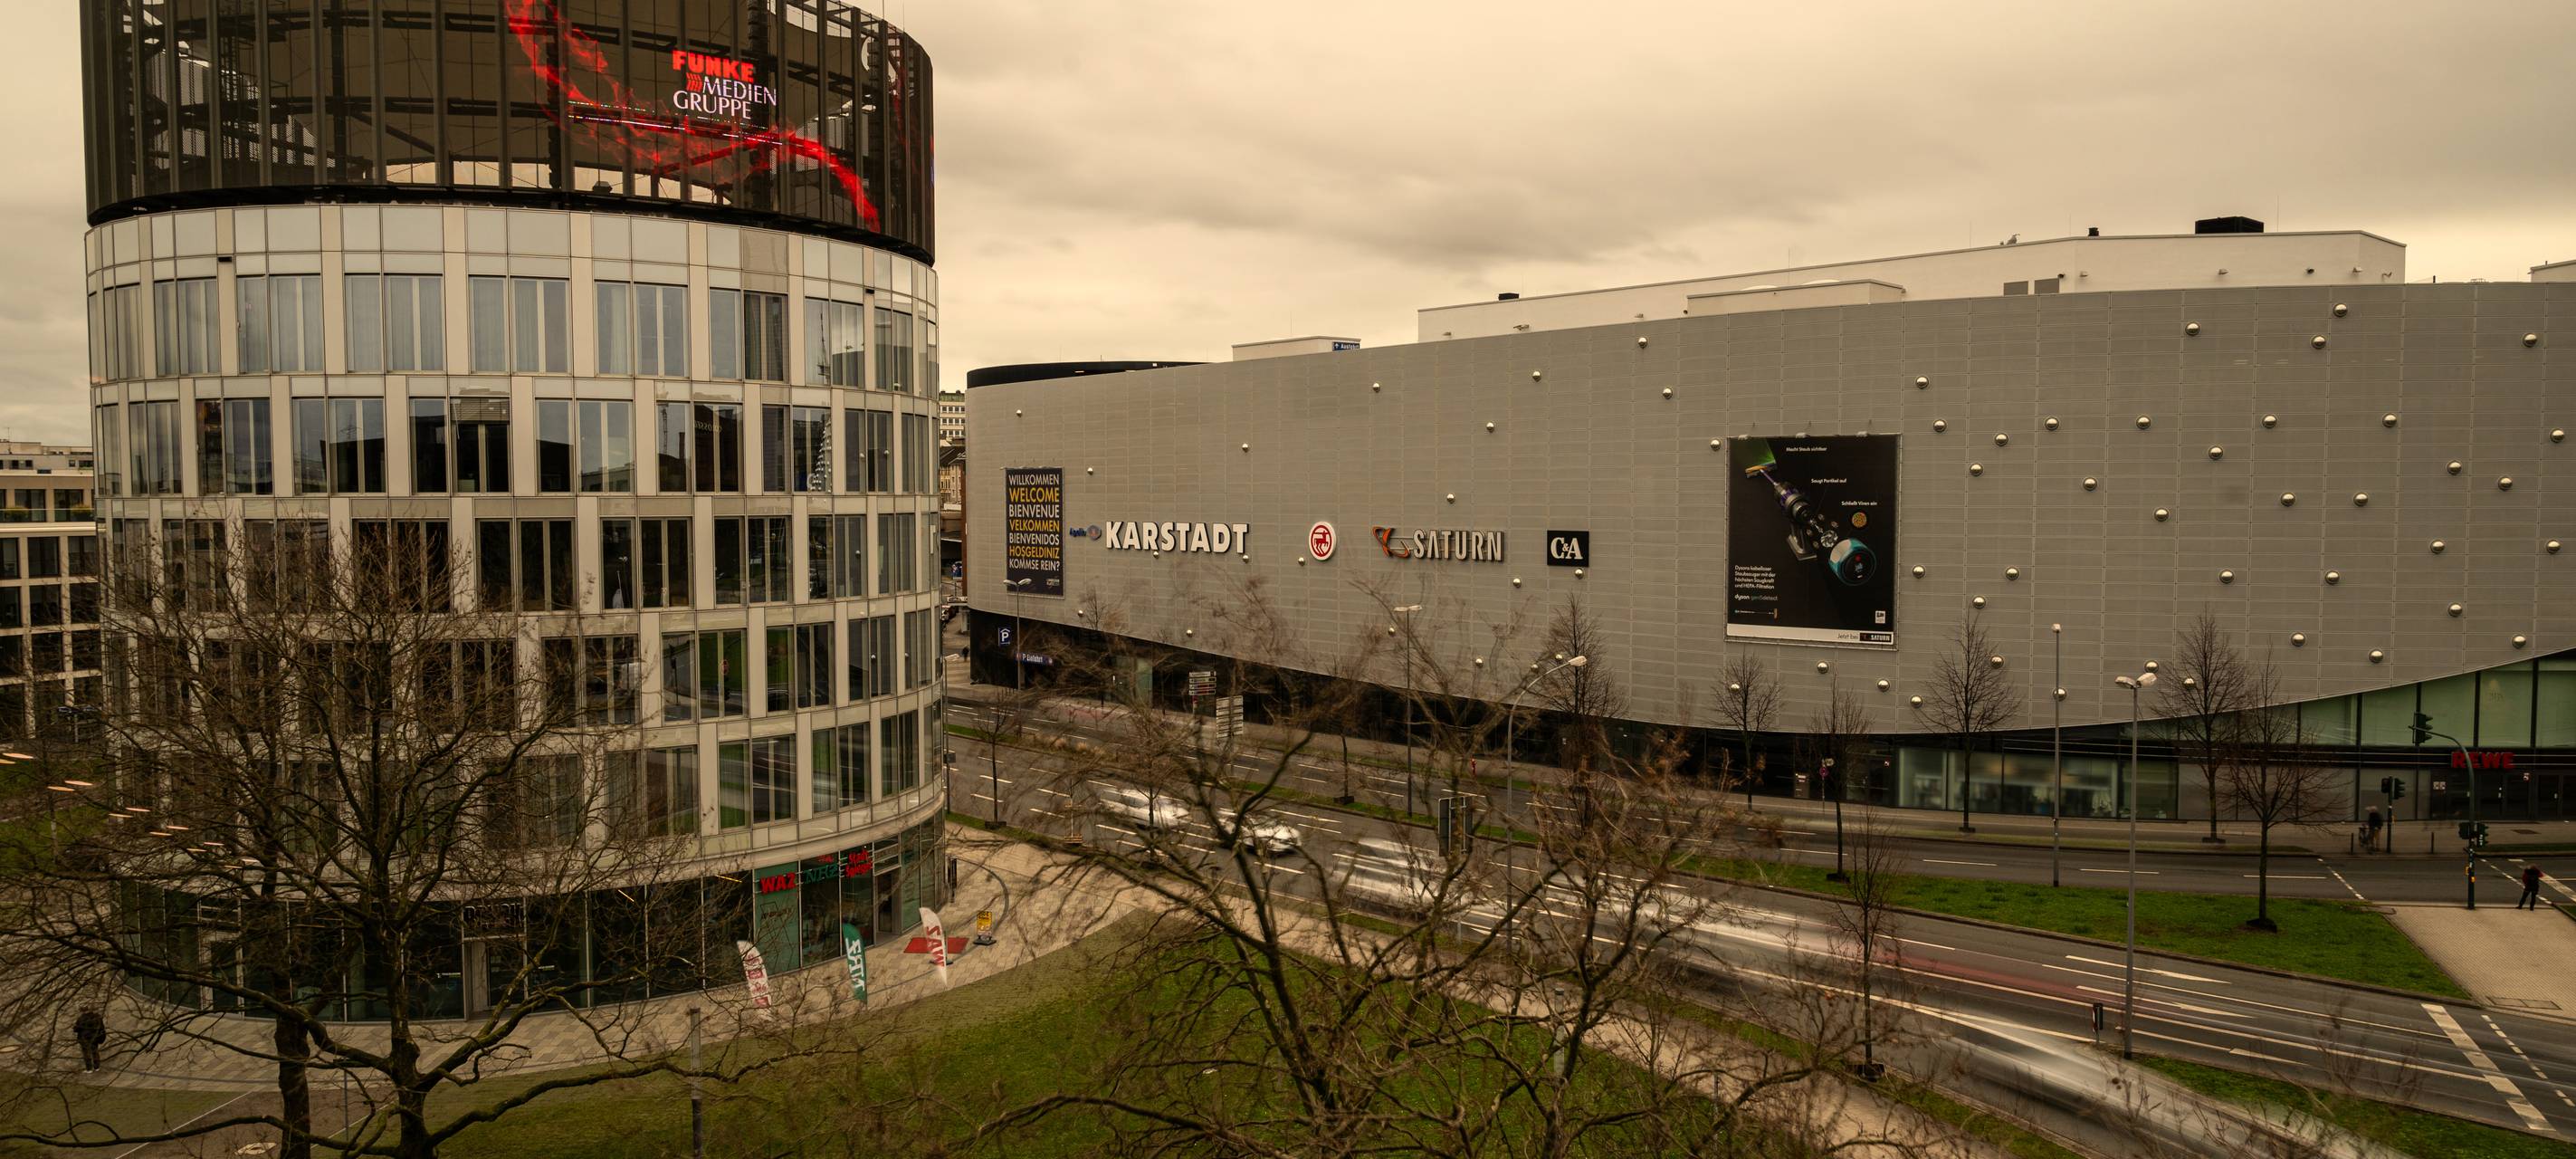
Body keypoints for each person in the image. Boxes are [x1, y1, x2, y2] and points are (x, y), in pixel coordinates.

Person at [72, 1007, 105, 1073]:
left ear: (82, 1011)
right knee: (95, 1051)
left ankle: (89, 1069)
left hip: (84, 1038)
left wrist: (75, 1027)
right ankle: (97, 1067)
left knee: (86, 1053)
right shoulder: (97, 1017)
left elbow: (76, 1029)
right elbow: (102, 1027)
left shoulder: (81, 1019)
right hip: (95, 1037)